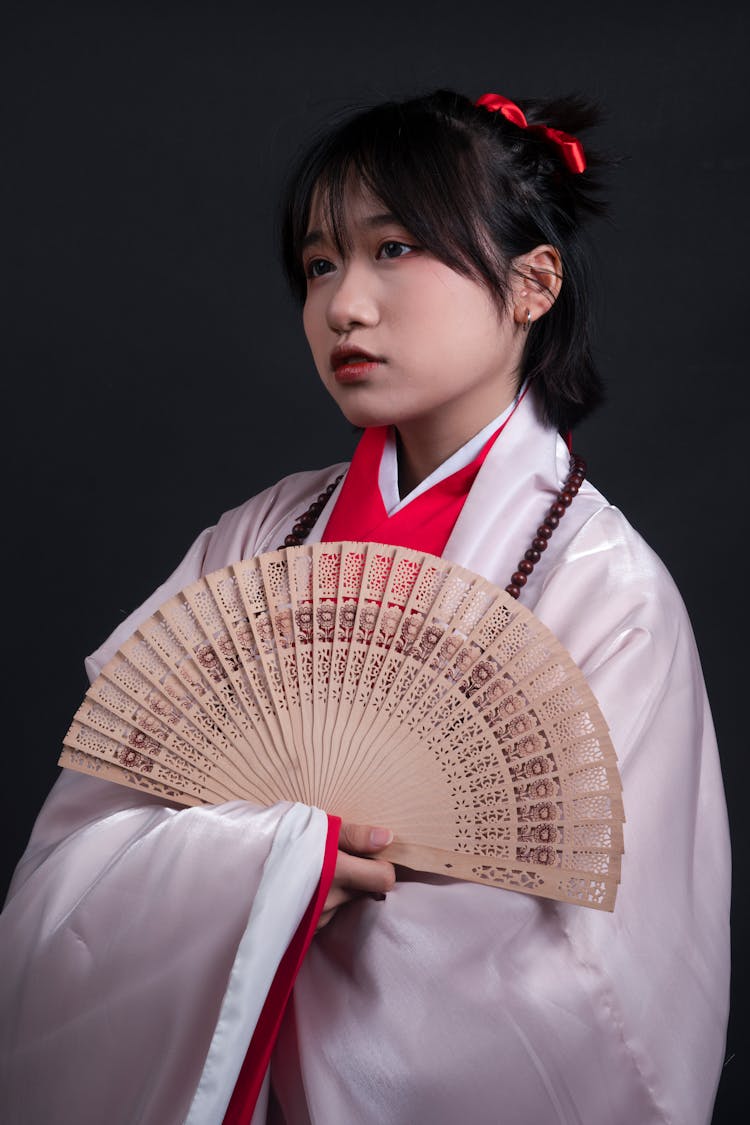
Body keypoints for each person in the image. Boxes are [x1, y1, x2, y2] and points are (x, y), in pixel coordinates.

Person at [0, 89, 730, 1124]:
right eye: (320, 263)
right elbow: (71, 871)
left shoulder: (603, 590)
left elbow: (607, 991)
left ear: (532, 284)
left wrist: (292, 914)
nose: (344, 305)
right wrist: (271, 872)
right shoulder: (254, 541)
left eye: (394, 251)